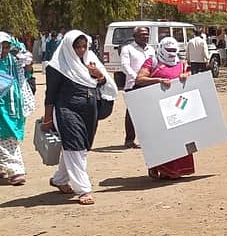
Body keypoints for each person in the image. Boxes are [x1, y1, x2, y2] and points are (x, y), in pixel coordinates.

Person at [43, 30, 117, 205]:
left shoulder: (89, 61)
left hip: (89, 111)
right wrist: (47, 119)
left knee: (80, 147)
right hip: (66, 110)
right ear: (69, 47)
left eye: (84, 46)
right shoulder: (57, 67)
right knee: (75, 147)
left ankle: (60, 179)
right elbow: (50, 95)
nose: (82, 50)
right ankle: (83, 189)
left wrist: (98, 75)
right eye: (77, 47)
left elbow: (103, 83)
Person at [135, 37, 195, 180]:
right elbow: (140, 79)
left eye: (174, 50)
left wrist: (186, 75)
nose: (171, 53)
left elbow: (189, 75)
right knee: (159, 139)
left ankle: (176, 170)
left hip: (177, 108)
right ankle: (159, 168)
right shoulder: (152, 62)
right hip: (156, 108)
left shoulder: (181, 64)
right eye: (168, 50)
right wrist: (158, 80)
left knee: (179, 138)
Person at [0, 32, 35, 186]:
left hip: (12, 103)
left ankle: (16, 170)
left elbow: (27, 69)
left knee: (8, 136)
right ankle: (9, 168)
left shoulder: (12, 60)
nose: (5, 50)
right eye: (3, 47)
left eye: (7, 47)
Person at [119, 26, 154, 149]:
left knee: (148, 113)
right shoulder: (127, 49)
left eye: (146, 34)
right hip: (133, 84)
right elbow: (125, 66)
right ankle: (129, 140)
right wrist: (137, 78)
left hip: (148, 84)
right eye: (142, 34)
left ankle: (147, 139)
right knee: (132, 113)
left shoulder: (151, 49)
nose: (145, 36)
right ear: (135, 36)